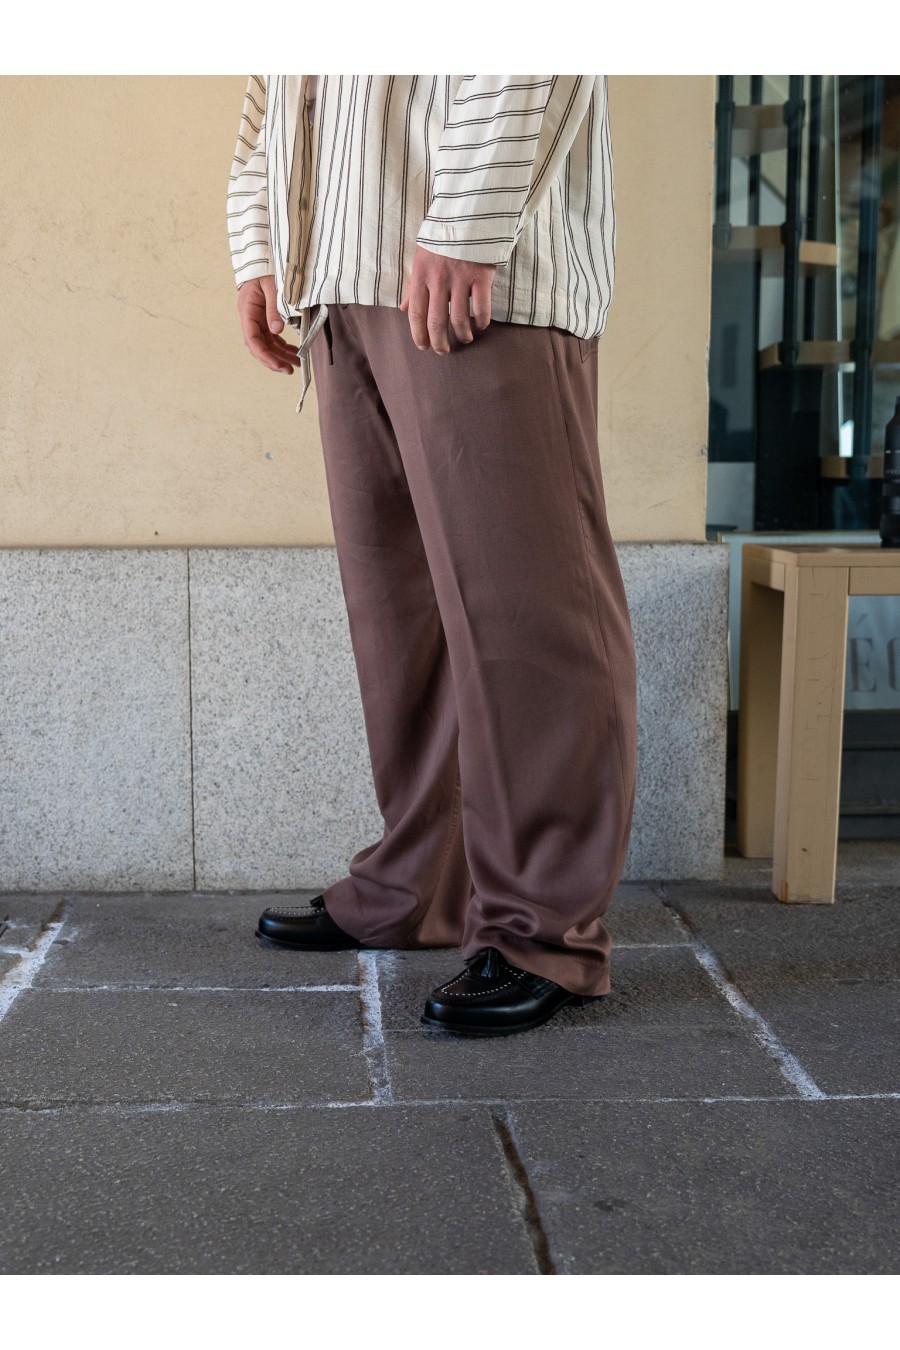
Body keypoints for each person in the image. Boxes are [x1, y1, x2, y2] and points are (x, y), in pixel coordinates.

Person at [227, 75, 638, 1037]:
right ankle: (419, 883)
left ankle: (543, 931)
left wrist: (467, 221)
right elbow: (267, 87)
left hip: (472, 259)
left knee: (525, 611)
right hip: (339, 271)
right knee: (398, 615)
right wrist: (263, 248)